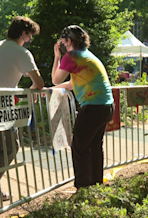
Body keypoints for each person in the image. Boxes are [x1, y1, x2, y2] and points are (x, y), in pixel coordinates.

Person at [0, 16, 44, 202]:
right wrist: (24, 91)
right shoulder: (21, 53)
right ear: (23, 33)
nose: (29, 40)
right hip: (1, 106)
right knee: (11, 146)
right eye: (30, 36)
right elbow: (39, 83)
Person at [51, 25, 114, 190]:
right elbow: (73, 83)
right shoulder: (86, 56)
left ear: (69, 41)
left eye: (62, 42)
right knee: (94, 146)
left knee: (79, 147)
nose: (61, 45)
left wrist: (57, 57)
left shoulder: (71, 56)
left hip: (92, 108)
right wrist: (53, 91)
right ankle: (96, 185)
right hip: (106, 106)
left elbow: (56, 79)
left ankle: (84, 188)